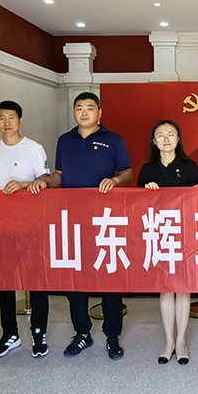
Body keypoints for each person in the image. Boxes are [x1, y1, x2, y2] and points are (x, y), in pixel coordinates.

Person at [35, 91, 132, 359]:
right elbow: (59, 175)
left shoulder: (114, 140)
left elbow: (127, 172)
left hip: (105, 220)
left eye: (90, 108)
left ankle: (112, 335)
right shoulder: (64, 140)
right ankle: (82, 334)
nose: (84, 112)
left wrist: (115, 181)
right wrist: (46, 182)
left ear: (100, 112)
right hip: (72, 221)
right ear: (74, 112)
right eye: (79, 108)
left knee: (110, 278)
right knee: (74, 278)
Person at [0, 101, 51, 359]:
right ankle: (10, 333)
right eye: (2, 118)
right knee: (3, 281)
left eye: (12, 117)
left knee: (36, 281)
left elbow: (45, 180)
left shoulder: (34, 148)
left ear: (20, 120)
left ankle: (39, 332)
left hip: (29, 226)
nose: (7, 122)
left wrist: (24, 185)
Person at [137, 119, 198, 365]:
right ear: (154, 141)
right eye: (161, 135)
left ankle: (181, 341)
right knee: (165, 287)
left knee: (183, 286)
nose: (166, 139)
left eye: (171, 134)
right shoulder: (147, 169)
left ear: (178, 139)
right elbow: (136, 205)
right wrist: (148, 193)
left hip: (185, 233)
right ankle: (168, 342)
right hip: (159, 234)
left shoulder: (189, 166)